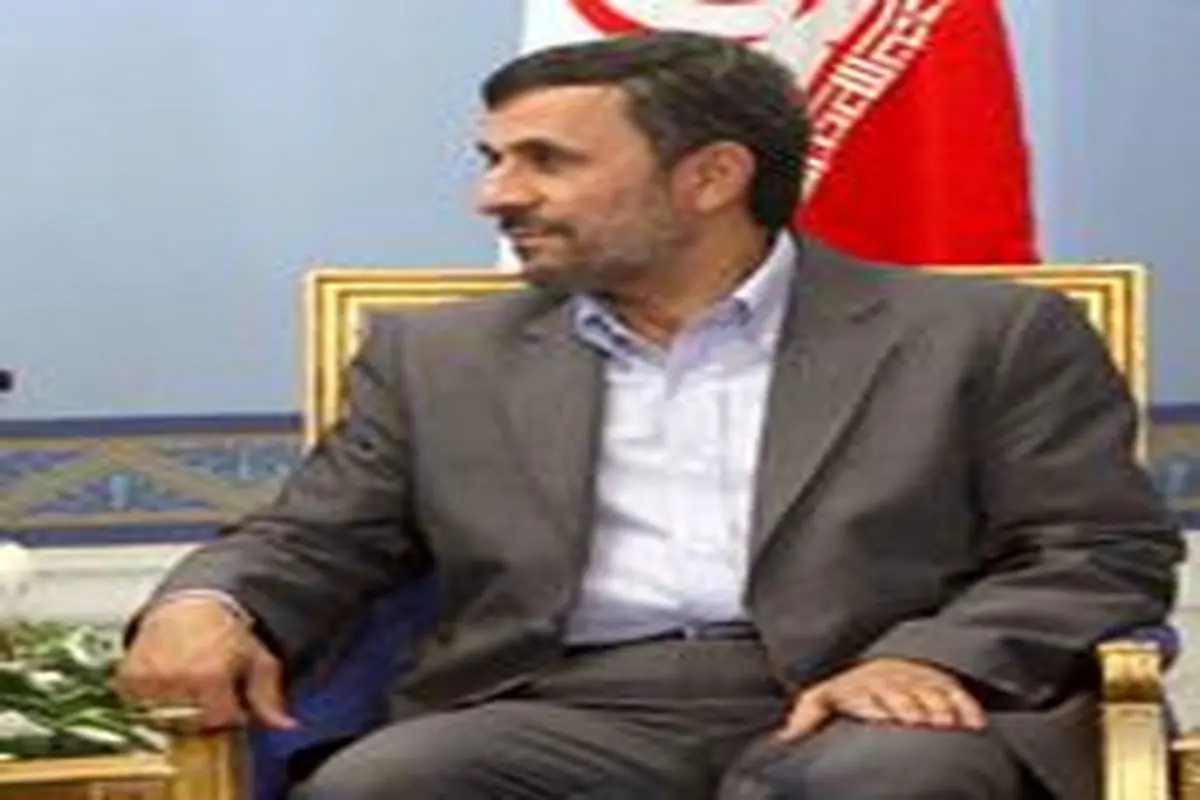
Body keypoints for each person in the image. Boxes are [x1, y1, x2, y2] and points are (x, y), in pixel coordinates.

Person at [117, 31, 1182, 799]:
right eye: (493, 160)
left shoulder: (984, 335)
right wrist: (211, 601)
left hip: (865, 693)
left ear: (710, 177)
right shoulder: (439, 357)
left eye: (546, 160)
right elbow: (317, 535)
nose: (496, 196)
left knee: (891, 780)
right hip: (558, 705)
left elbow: (1097, 549)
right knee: (386, 784)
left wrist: (937, 657)